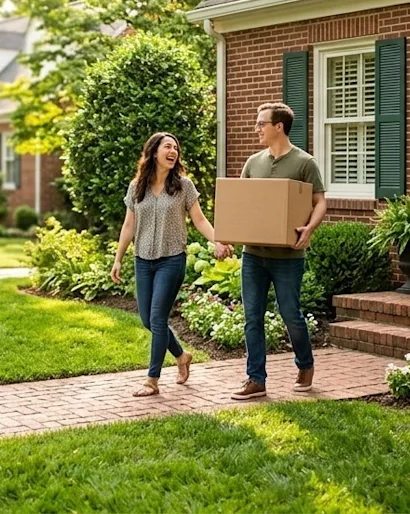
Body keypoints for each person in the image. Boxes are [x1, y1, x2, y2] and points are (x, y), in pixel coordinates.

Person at [219, 102, 327, 400]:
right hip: (253, 254)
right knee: (252, 317)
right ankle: (256, 380)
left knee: (290, 314)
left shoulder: (304, 163)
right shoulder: (253, 163)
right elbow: (241, 202)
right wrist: (226, 236)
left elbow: (320, 202)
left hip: (288, 257)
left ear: (279, 126)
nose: (257, 129)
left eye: (261, 124)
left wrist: (309, 229)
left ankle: (305, 364)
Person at [111, 132, 229, 397]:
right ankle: (181, 354)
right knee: (147, 320)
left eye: (176, 147)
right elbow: (129, 225)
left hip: (172, 258)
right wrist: (118, 259)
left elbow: (199, 219)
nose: (173, 151)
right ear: (154, 152)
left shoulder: (183, 186)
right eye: (167, 146)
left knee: (157, 317)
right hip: (143, 259)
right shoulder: (137, 186)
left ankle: (152, 380)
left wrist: (217, 241)